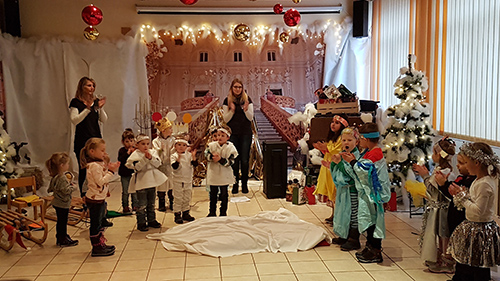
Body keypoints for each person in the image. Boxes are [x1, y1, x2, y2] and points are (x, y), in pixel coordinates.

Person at [448, 142, 500, 281]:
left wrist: (461, 197)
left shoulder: (484, 184)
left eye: (466, 162)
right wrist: (462, 194)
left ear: (476, 162)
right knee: (465, 263)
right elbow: (474, 201)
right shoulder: (478, 180)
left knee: (476, 266)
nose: (463, 165)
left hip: (479, 231)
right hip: (473, 228)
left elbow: (478, 211)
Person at [340, 123, 391, 263]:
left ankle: (375, 250)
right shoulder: (369, 151)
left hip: (374, 195)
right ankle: (370, 247)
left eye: (360, 138)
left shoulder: (375, 153)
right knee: (369, 222)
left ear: (366, 139)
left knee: (373, 223)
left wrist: (352, 162)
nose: (359, 141)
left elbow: (364, 171)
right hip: (370, 194)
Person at [413, 137, 456, 273]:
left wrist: (425, 175)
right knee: (437, 233)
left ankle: (447, 261)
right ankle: (437, 257)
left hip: (442, 209)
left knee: (444, 235)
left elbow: (433, 189)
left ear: (439, 155)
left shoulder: (445, 173)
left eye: (434, 152)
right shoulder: (439, 169)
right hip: (436, 209)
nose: (432, 155)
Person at [434, 146, 476, 272]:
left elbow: (460, 199)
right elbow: (451, 194)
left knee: (465, 251)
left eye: (462, 163)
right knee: (458, 248)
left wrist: (445, 185)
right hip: (455, 221)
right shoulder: (462, 178)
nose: (458, 166)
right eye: (457, 162)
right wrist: (443, 185)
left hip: (463, 220)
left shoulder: (473, 182)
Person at [69, 77, 107, 198]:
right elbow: (74, 120)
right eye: (89, 85)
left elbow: (104, 119)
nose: (92, 88)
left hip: (96, 140)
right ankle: (85, 197)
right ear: (82, 87)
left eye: (93, 86)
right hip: (83, 141)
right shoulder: (76, 102)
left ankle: (97, 195)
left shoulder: (94, 102)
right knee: (84, 170)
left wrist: (100, 108)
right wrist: (87, 109)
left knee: (98, 169)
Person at [80, 138, 119, 256]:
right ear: (92, 151)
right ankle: (96, 248)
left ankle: (101, 243)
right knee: (95, 224)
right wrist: (111, 172)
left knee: (100, 223)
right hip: (94, 200)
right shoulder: (93, 166)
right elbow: (100, 181)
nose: (104, 153)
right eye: (102, 150)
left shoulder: (97, 164)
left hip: (99, 198)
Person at [327, 127, 361, 251]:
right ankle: (344, 235)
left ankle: (354, 239)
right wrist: (334, 163)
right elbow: (337, 170)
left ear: (356, 142)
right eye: (344, 140)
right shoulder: (342, 153)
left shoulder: (357, 156)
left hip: (352, 190)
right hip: (343, 190)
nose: (346, 143)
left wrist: (340, 164)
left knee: (352, 214)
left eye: (349, 140)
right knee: (341, 212)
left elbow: (353, 173)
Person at [126, 134, 167, 232]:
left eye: (147, 144)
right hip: (142, 182)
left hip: (152, 181)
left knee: (151, 203)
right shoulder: (135, 155)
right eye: (143, 144)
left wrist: (150, 158)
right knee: (142, 204)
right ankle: (141, 222)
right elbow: (137, 168)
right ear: (137, 145)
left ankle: (152, 220)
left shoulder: (152, 152)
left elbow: (158, 164)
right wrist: (145, 159)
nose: (145, 146)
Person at [313, 115, 348, 224]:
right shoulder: (333, 137)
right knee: (331, 192)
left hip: (336, 167)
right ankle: (333, 214)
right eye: (332, 122)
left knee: (335, 191)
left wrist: (326, 148)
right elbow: (330, 149)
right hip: (328, 167)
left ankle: (338, 217)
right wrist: (322, 148)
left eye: (337, 123)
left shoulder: (342, 137)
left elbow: (337, 150)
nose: (333, 124)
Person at [222, 79, 254, 194]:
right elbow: (225, 119)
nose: (237, 89)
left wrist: (245, 110)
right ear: (232, 88)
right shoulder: (227, 100)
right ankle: (235, 184)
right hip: (232, 134)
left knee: (245, 160)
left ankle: (244, 184)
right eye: (235, 87)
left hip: (246, 133)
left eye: (239, 87)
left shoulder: (247, 100)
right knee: (234, 160)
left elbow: (250, 118)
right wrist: (231, 110)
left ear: (242, 88)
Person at [45, 152, 79, 247]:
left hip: (57, 202)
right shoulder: (62, 178)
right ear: (62, 165)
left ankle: (62, 236)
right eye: (67, 164)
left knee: (60, 221)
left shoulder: (55, 176)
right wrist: (74, 187)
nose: (68, 166)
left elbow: (50, 188)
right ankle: (62, 238)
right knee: (62, 222)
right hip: (62, 203)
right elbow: (66, 190)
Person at [205, 127, 238, 216]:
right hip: (214, 174)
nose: (219, 137)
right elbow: (206, 155)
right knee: (213, 194)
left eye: (222, 135)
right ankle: (212, 212)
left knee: (224, 194)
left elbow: (231, 161)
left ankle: (223, 212)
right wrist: (212, 157)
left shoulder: (230, 148)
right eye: (218, 135)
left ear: (227, 137)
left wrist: (220, 160)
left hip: (224, 175)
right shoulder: (211, 146)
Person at [171, 135, 198, 224]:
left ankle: (186, 212)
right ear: (175, 146)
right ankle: (177, 214)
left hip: (188, 180)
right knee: (178, 197)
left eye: (183, 145)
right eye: (179, 145)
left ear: (187, 147)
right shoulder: (174, 156)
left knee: (187, 197)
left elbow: (195, 164)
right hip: (178, 180)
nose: (181, 147)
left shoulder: (189, 155)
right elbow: (174, 167)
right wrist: (178, 159)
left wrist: (194, 157)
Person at [152, 118, 175, 212]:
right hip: (161, 166)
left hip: (170, 166)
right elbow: (156, 152)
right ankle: (161, 203)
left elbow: (174, 151)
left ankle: (172, 202)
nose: (171, 130)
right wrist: (160, 150)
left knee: (171, 185)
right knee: (161, 185)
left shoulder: (173, 140)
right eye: (169, 128)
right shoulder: (156, 141)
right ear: (163, 130)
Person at [117, 129, 138, 214]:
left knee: (135, 191)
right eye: (127, 141)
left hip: (133, 173)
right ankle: (125, 206)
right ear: (123, 142)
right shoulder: (122, 150)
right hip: (124, 174)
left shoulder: (136, 150)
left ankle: (135, 205)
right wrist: (127, 153)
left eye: (131, 141)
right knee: (125, 191)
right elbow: (121, 159)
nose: (129, 143)